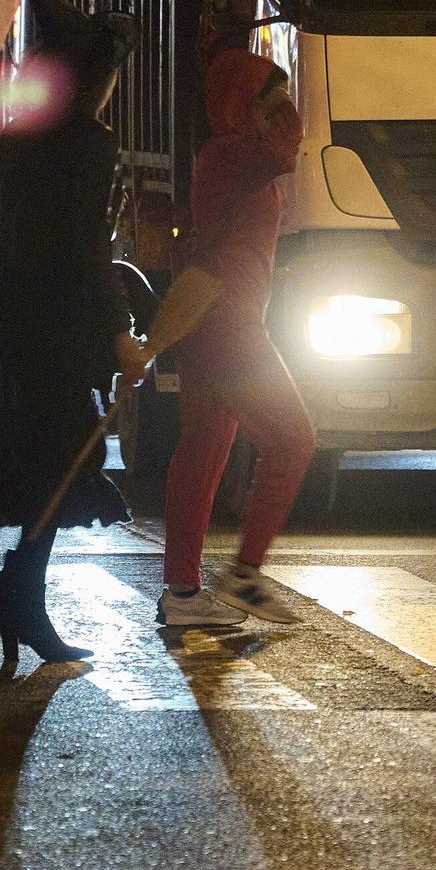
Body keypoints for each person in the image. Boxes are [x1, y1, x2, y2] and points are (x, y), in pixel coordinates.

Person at [0, 0, 144, 664]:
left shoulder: (21, 138)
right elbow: (91, 248)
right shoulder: (89, 142)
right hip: (58, 325)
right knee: (64, 463)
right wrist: (119, 332)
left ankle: (19, 597)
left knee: (46, 461)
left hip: (10, 322)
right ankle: (17, 595)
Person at [158, 48, 313, 627]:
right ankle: (244, 575)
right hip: (227, 322)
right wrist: (287, 111)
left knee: (204, 449)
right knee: (293, 437)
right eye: (264, 96)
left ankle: (182, 592)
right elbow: (286, 150)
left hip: (214, 318)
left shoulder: (232, 156)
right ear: (238, 101)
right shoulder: (231, 155)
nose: (274, 107)